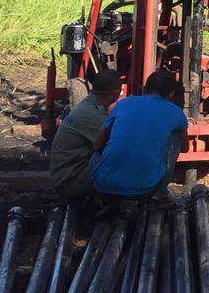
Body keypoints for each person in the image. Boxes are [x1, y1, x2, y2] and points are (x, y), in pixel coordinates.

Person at [89, 69, 189, 198]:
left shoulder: (122, 104)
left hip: (102, 184)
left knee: (96, 154)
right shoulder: (176, 113)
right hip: (145, 189)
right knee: (176, 136)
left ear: (145, 88)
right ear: (171, 93)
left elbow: (97, 146)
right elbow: (185, 148)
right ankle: (160, 193)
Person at [49, 67, 121, 198]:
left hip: (69, 173)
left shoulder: (88, 105)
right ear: (116, 93)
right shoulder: (93, 114)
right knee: (121, 160)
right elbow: (117, 146)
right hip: (69, 181)